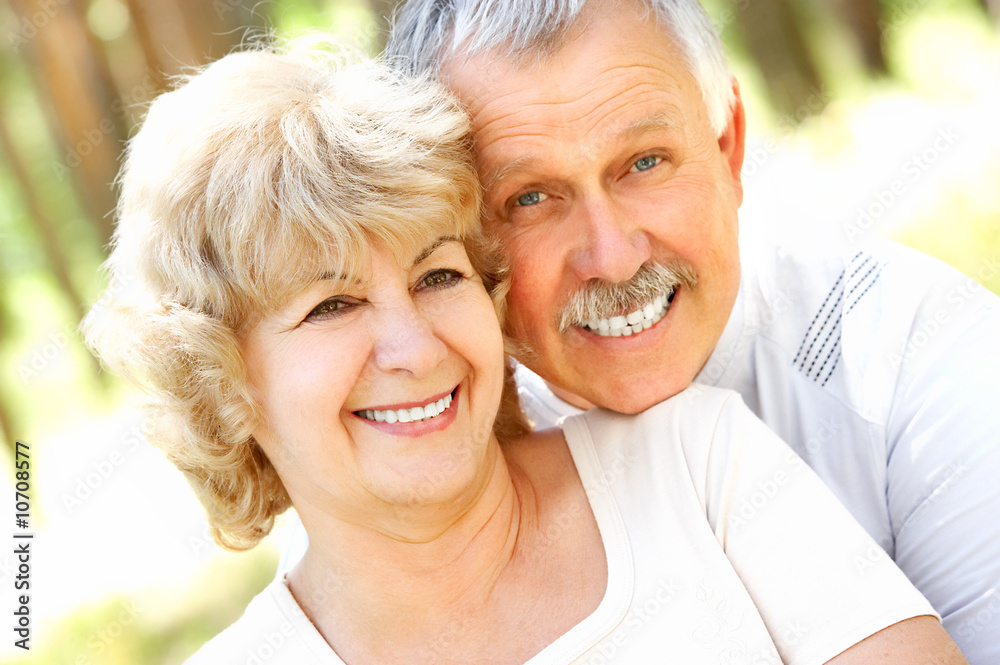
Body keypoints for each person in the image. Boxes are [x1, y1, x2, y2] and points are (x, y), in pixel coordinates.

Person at [81, 43, 969, 664]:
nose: (413, 344)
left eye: (438, 275)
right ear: (221, 382)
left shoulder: (696, 462)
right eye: (334, 303)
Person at [381, 1, 1000, 662]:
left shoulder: (931, 365)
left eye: (644, 162)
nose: (613, 256)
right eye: (529, 198)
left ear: (728, 145)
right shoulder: (417, 447)